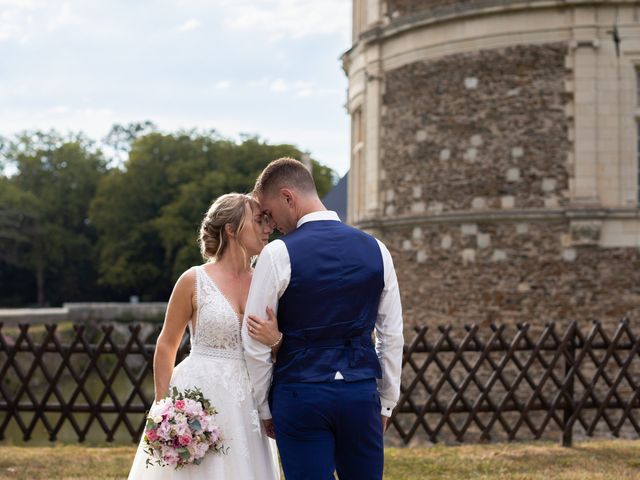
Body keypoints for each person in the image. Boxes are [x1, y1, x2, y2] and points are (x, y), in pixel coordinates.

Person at [242, 158, 404, 480]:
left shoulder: (277, 254)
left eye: (270, 213)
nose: (271, 225)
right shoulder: (377, 249)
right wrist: (385, 401)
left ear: (289, 198)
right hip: (360, 394)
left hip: (301, 394)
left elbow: (254, 341)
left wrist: (264, 407)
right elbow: (392, 335)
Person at [128, 193, 281, 479]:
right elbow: (166, 344)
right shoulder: (193, 279)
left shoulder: (267, 282)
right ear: (231, 229)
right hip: (198, 399)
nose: (268, 227)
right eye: (259, 220)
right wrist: (165, 411)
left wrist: (275, 340)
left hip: (249, 401)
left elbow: (276, 347)